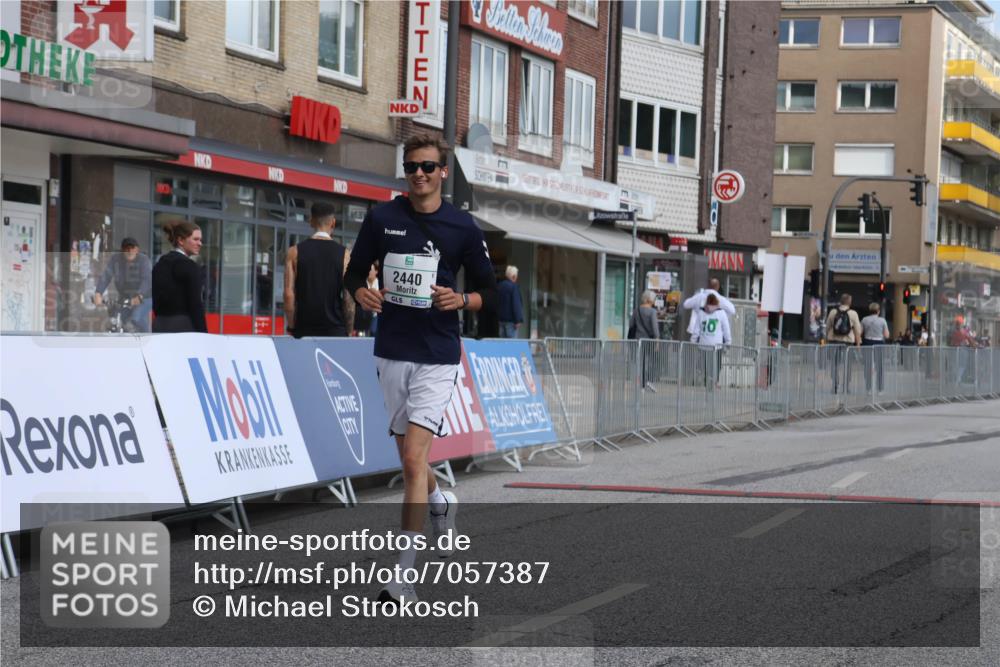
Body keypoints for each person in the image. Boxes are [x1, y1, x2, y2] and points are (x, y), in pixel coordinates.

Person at [344, 134, 497, 606]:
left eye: (428, 167)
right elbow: (352, 273)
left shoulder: (462, 226)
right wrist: (359, 292)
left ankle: (403, 577)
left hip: (437, 352)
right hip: (391, 349)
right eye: (412, 166)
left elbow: (491, 292)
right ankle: (440, 501)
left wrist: (462, 299)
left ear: (443, 172)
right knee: (410, 459)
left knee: (413, 459)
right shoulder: (382, 217)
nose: (419, 174)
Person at [283, 202, 354, 338]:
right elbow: (348, 297)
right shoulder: (344, 254)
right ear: (333, 223)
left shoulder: (294, 252)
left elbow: (288, 295)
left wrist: (292, 327)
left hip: (304, 330)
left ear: (311, 221)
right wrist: (349, 330)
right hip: (335, 332)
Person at [152, 219, 207, 333]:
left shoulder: (159, 264)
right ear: (181, 240)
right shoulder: (190, 266)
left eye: (200, 240)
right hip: (183, 327)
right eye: (195, 239)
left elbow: (156, 300)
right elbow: (195, 305)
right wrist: (203, 334)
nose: (200, 243)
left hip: (159, 325)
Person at [94, 237, 152, 332]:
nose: (129, 250)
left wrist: (140, 295)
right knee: (116, 319)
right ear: (122, 250)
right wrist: (98, 293)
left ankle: (147, 341)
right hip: (126, 297)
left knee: (136, 317)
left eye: (132, 247)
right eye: (126, 248)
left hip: (145, 297)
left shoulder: (144, 260)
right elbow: (106, 275)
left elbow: (147, 280)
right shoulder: (116, 259)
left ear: (137, 250)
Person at [690, 293, 731, 388]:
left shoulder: (701, 312)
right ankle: (714, 381)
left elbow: (696, 330)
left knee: (704, 364)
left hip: (703, 344)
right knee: (717, 364)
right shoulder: (721, 313)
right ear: (717, 302)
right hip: (717, 345)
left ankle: (706, 380)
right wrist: (728, 342)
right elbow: (726, 330)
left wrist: (692, 341)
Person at [824, 293, 862, 394]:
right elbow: (858, 330)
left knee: (835, 364)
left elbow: (827, 327)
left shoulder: (833, 312)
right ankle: (846, 387)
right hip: (847, 343)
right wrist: (858, 343)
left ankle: (835, 386)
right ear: (850, 302)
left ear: (841, 301)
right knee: (847, 365)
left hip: (833, 342)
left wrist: (826, 339)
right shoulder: (853, 313)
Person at [629, 291, 660, 391]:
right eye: (654, 299)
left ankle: (642, 384)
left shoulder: (636, 310)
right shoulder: (652, 312)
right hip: (649, 341)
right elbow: (655, 329)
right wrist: (657, 341)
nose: (654, 301)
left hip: (637, 340)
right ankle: (648, 381)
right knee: (653, 361)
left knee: (641, 362)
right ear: (650, 300)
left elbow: (631, 325)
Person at [861, 302, 890, 393]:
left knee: (868, 365)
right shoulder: (882, 320)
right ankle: (880, 389)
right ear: (878, 311)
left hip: (867, 342)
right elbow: (886, 335)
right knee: (880, 366)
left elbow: (860, 332)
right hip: (879, 342)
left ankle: (868, 388)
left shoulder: (864, 320)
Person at [352, 263, 380, 336]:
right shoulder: (362, 284)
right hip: (362, 314)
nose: (368, 272)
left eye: (370, 270)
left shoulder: (380, 284)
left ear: (376, 271)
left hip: (375, 315)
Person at [497, 265, 524, 338]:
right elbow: (516, 305)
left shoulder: (499, 286)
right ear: (514, 276)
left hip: (500, 320)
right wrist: (518, 320)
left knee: (502, 344)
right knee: (511, 344)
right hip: (511, 322)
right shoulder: (514, 287)